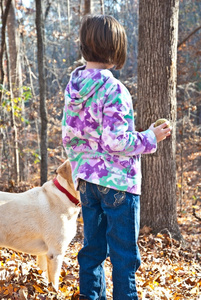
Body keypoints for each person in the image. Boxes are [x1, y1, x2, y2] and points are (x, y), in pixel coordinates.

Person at [62, 14, 171, 300]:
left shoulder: (73, 88)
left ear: (85, 46)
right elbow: (117, 141)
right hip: (119, 184)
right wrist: (150, 137)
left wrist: (80, 168)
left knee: (92, 250)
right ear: (116, 50)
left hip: (87, 181)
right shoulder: (114, 90)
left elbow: (69, 136)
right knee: (124, 256)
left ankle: (90, 296)